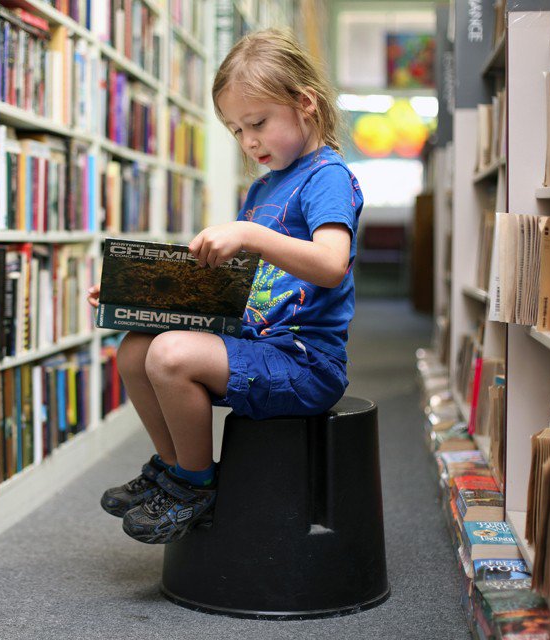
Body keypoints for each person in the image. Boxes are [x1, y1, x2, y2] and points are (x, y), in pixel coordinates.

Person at [88, 28, 364, 545]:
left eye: (257, 123)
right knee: (135, 350)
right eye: (236, 130)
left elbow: (331, 265)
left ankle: (196, 487)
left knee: (169, 356)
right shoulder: (264, 186)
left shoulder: (327, 176)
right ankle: (173, 470)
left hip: (305, 362)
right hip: (254, 343)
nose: (249, 141)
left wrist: (251, 234)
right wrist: (140, 299)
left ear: (305, 103)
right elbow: (234, 293)